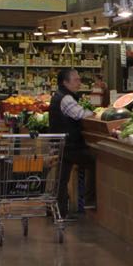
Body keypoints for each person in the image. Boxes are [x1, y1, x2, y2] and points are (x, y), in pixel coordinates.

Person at [48, 67, 94, 218]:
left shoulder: (59, 95)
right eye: (76, 80)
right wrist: (96, 114)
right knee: (96, 162)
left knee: (61, 180)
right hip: (70, 147)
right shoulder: (66, 98)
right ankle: (90, 202)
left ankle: (59, 211)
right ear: (65, 82)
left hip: (62, 145)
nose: (79, 83)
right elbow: (81, 114)